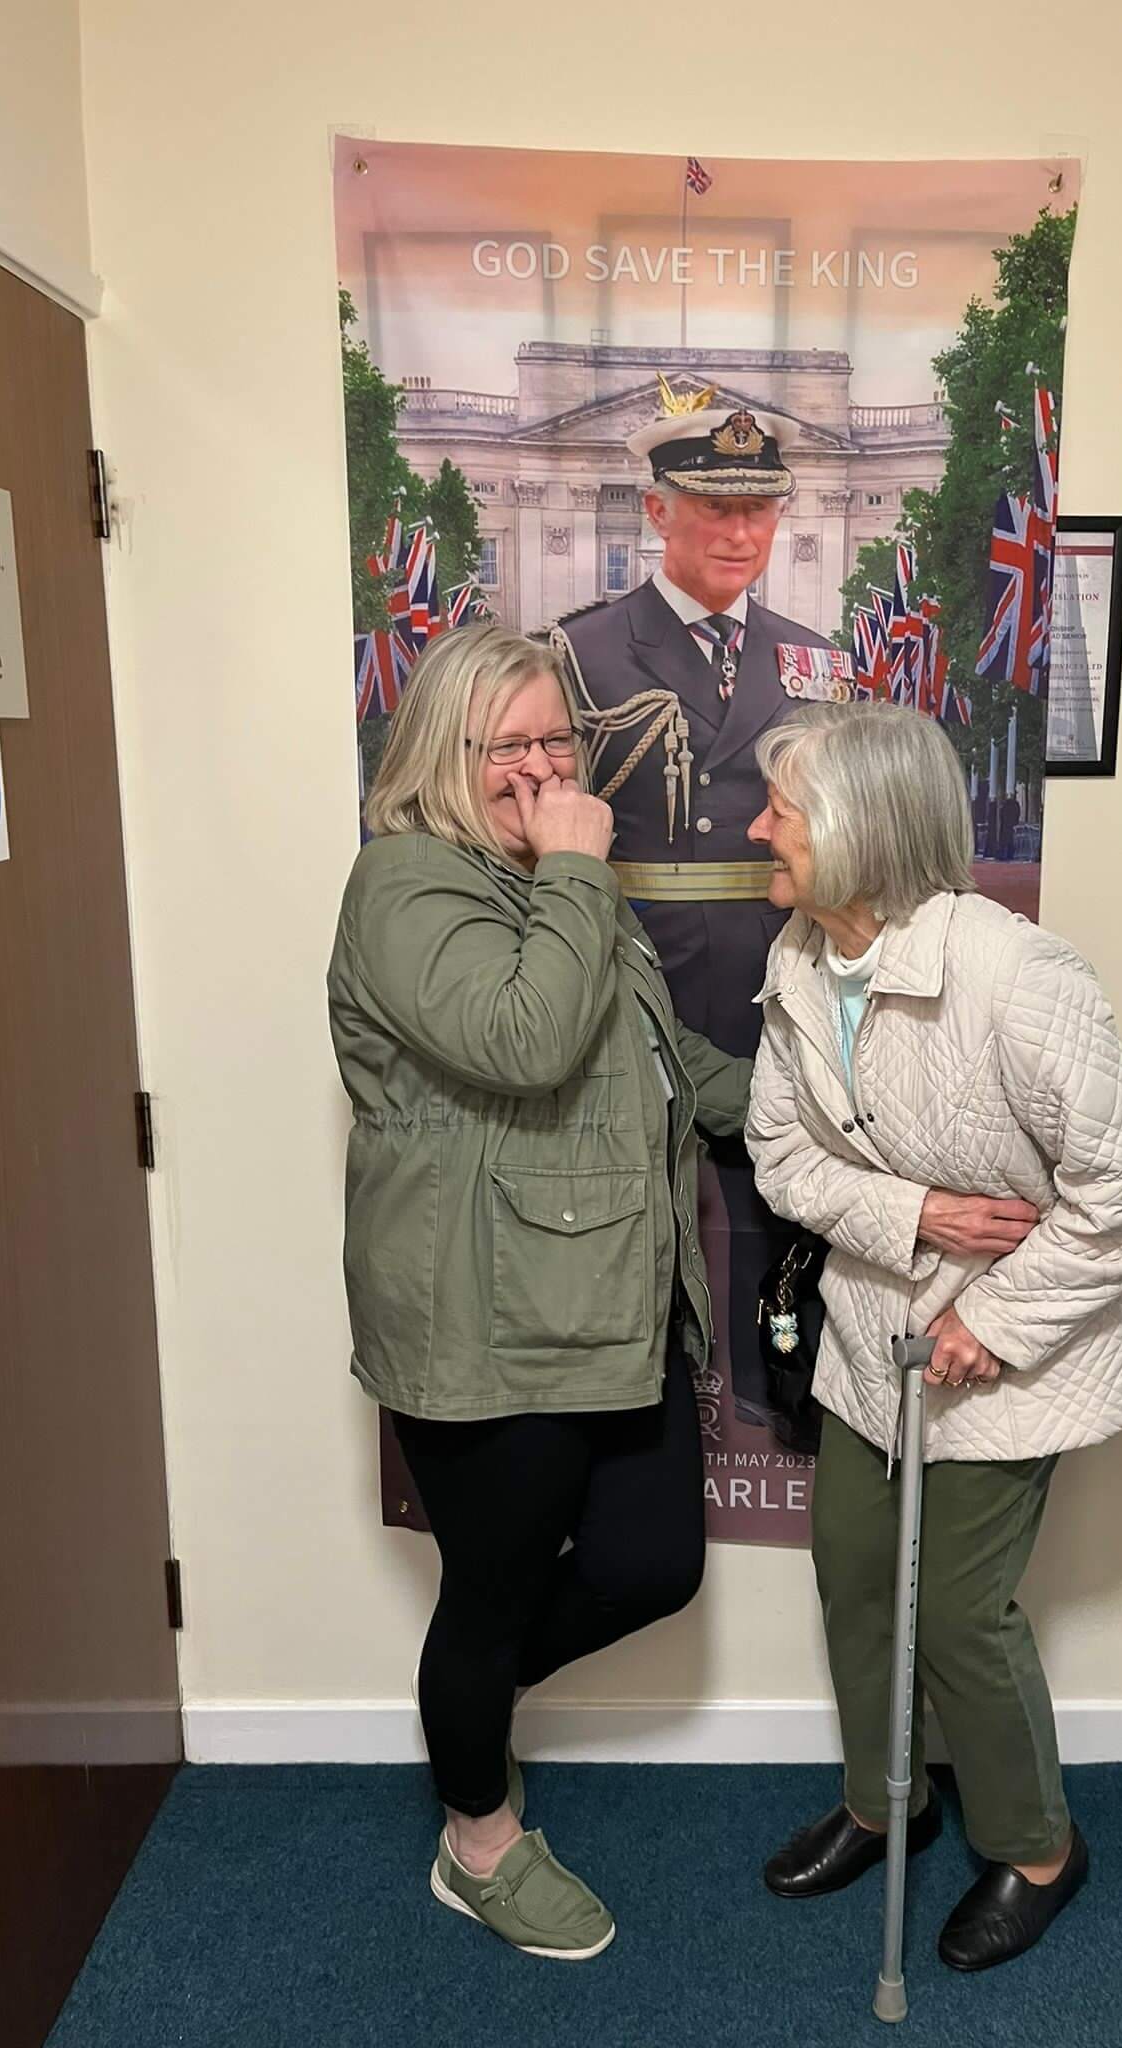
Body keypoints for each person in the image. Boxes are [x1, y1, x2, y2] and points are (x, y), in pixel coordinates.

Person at [327, 625, 753, 1961]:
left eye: (554, 739)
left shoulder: (567, 889)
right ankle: (478, 1836)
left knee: (652, 1566)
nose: (538, 766)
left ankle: (466, 1710)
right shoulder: (402, 884)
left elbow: (654, 1052)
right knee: (492, 1596)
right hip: (483, 1321)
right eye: (504, 745)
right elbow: (523, 1039)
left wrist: (824, 1112)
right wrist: (577, 859)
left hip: (612, 1303)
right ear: (440, 758)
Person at [745, 703, 1122, 1973]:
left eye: (783, 808)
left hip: (1017, 1349)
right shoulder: (797, 956)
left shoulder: (1016, 974)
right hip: (872, 1341)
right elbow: (781, 1151)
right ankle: (888, 1801)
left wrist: (991, 1313)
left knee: (958, 1615)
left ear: (863, 830)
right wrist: (917, 1211)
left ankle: (1039, 1844)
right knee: (856, 1576)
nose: (754, 824)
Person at [553, 380, 850, 1441]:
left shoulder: (817, 658)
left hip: (782, 980)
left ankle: (785, 1386)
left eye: (759, 508)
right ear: (656, 511)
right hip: (640, 988)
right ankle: (645, 1410)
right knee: (632, 1215)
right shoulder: (581, 655)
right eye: (714, 506)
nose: (739, 531)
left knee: (787, 1214)